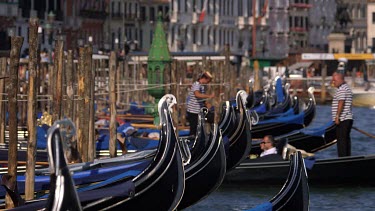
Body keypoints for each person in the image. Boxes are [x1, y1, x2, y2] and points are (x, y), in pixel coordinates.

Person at [331, 72, 353, 157]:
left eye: (335, 80)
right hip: (346, 118)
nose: (333, 82)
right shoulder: (346, 88)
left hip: (342, 119)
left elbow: (341, 102)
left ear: (341, 79)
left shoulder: (342, 89)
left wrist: (337, 117)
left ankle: (343, 159)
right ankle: (347, 158)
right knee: (346, 140)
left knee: (341, 141)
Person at [186, 71, 214, 136]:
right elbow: (197, 94)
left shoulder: (202, 86)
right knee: (193, 129)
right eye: (208, 81)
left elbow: (201, 98)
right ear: (204, 78)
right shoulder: (197, 85)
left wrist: (207, 104)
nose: (208, 83)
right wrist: (209, 96)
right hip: (193, 111)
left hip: (199, 111)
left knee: (208, 120)